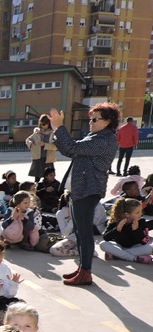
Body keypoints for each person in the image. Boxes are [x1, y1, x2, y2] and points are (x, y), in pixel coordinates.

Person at [49, 103, 119, 286]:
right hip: (80, 189)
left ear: (108, 121)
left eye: (95, 119)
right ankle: (82, 268)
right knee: (80, 232)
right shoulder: (95, 137)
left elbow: (72, 147)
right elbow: (68, 150)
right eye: (90, 119)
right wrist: (56, 129)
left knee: (84, 232)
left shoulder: (105, 139)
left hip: (88, 189)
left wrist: (59, 127)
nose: (91, 122)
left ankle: (86, 272)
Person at [100, 198, 152, 263]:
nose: (140, 214)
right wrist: (118, 229)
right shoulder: (116, 221)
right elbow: (106, 238)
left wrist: (136, 230)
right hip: (119, 246)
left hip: (136, 247)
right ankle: (133, 258)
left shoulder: (141, 221)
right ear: (127, 214)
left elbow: (145, 241)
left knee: (150, 248)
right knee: (103, 244)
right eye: (137, 212)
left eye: (141, 211)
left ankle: (116, 255)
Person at [25, 115, 57, 182]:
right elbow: (28, 140)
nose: (42, 126)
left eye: (44, 124)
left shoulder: (53, 133)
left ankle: (49, 188)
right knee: (37, 177)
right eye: (41, 124)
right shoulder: (37, 132)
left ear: (48, 123)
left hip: (48, 158)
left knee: (49, 177)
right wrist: (31, 145)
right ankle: (36, 187)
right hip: (38, 157)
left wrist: (45, 145)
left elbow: (56, 146)